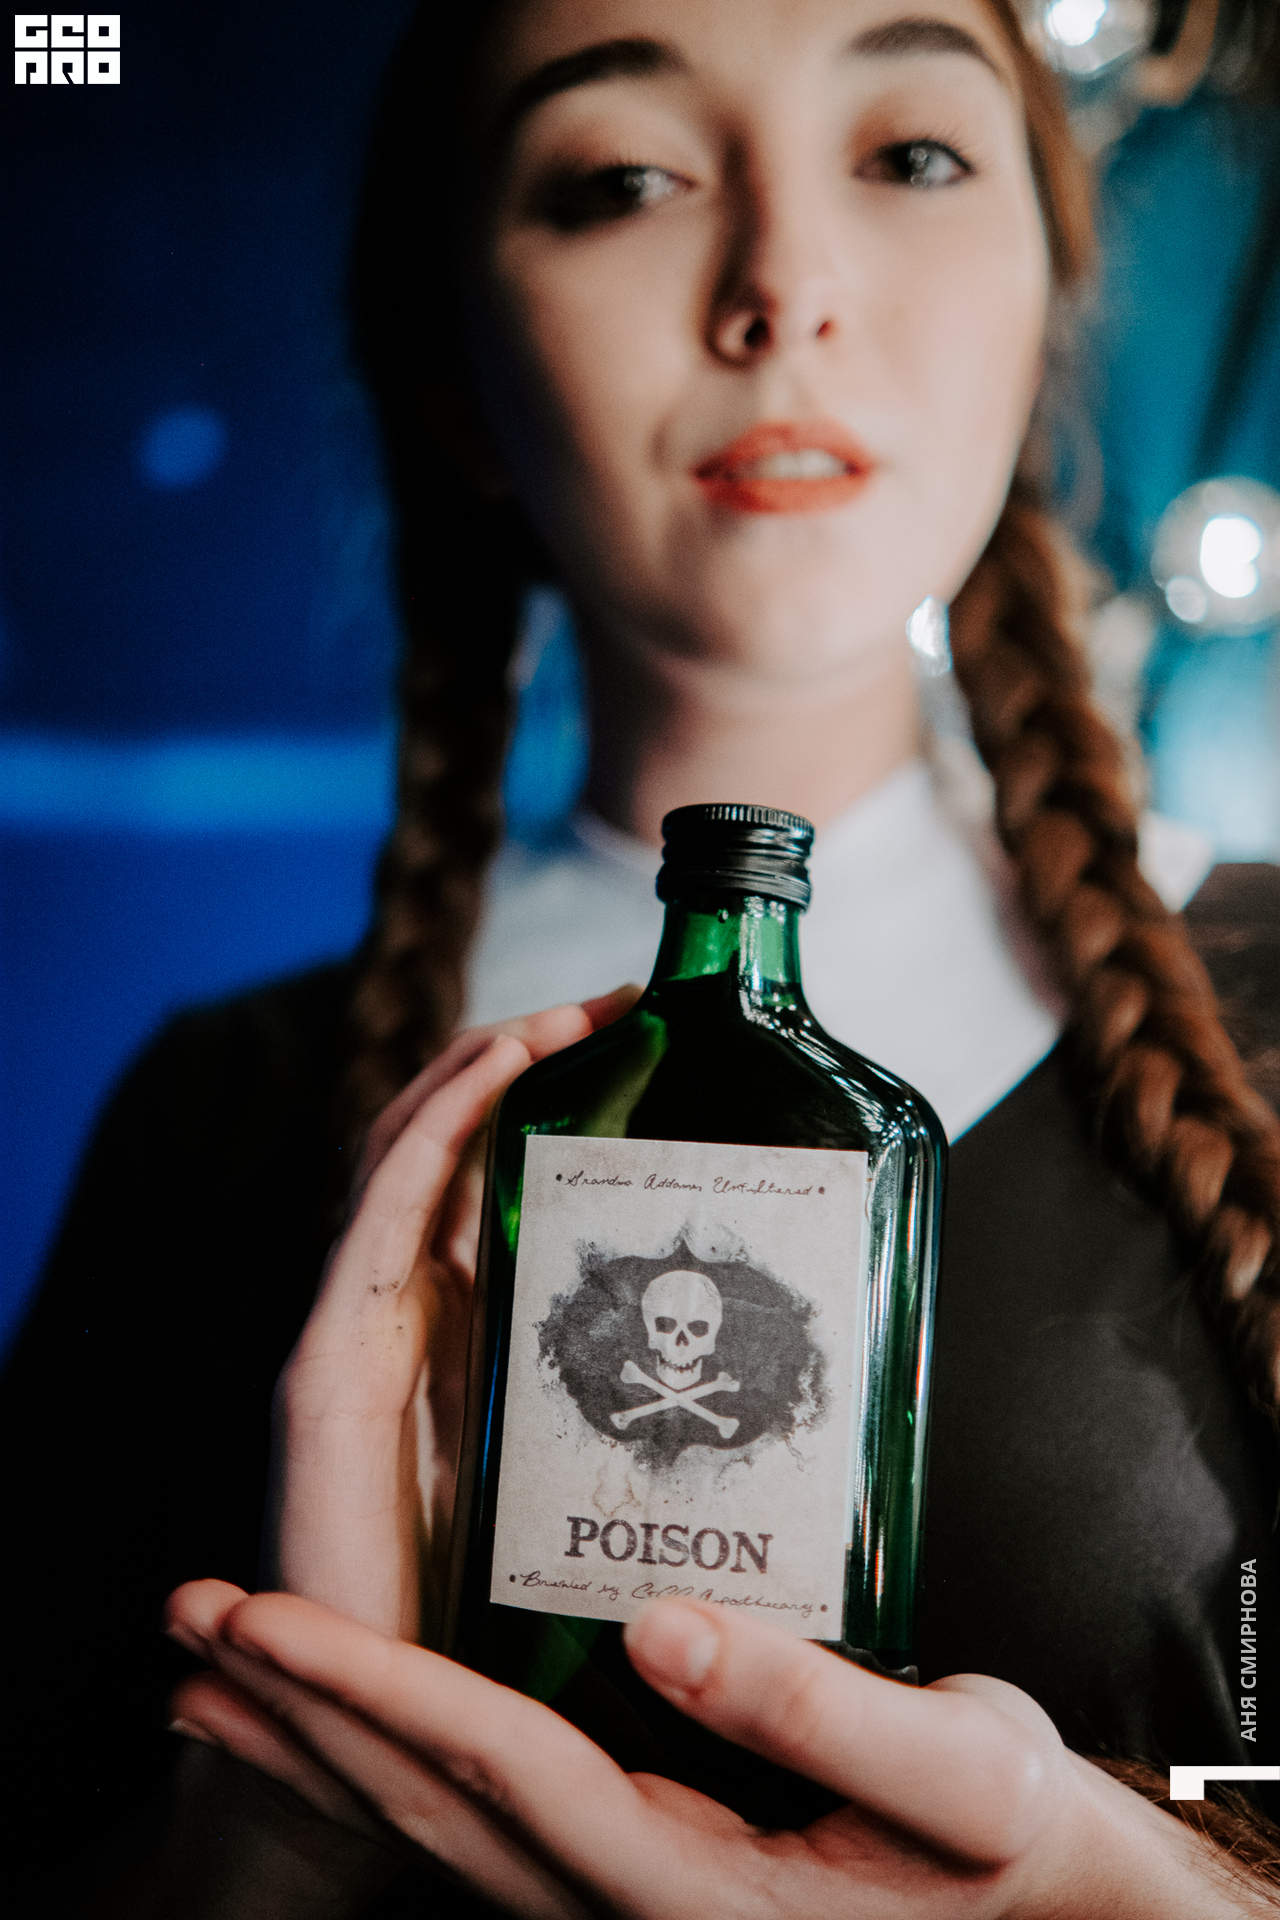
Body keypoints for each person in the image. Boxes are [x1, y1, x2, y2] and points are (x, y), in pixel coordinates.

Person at [3, 0, 1279, 1913]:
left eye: (911, 153)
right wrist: (275, 1828)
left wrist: (1139, 1887)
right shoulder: (217, 1116)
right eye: (623, 179)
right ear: (450, 360)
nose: (788, 288)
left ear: (1048, 289)